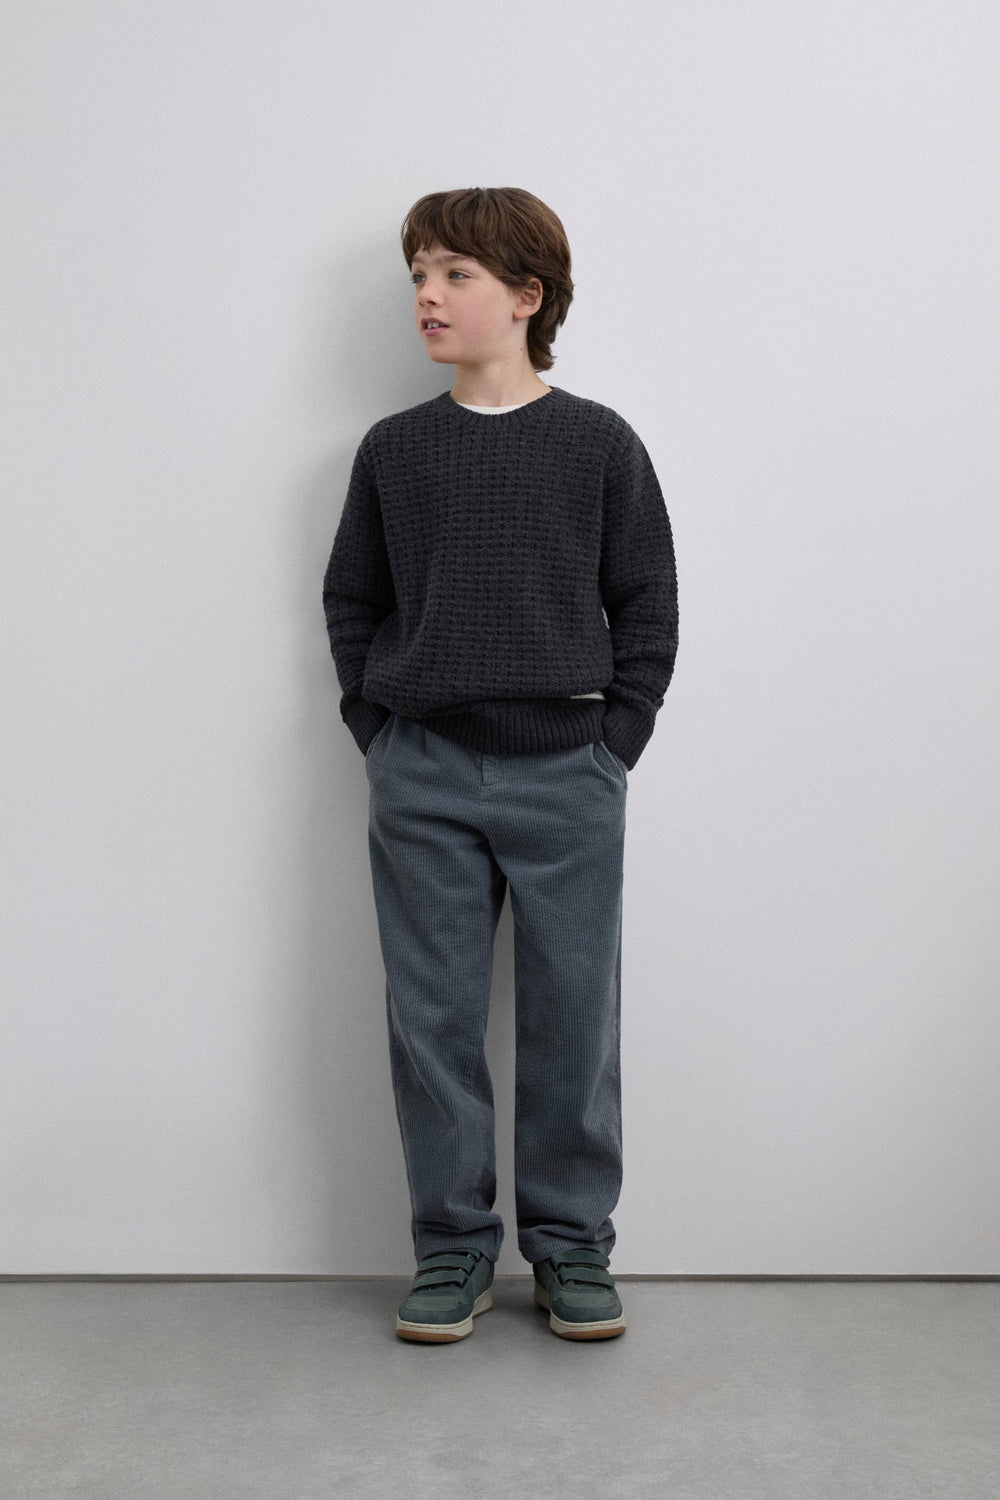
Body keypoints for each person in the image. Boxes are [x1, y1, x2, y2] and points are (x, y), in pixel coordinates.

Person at [323, 187, 678, 1342]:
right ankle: (451, 1249)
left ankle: (571, 1247)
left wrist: (615, 740)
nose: (426, 295)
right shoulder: (394, 451)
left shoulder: (599, 444)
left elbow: (647, 604)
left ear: (527, 296)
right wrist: (378, 728)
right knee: (430, 1022)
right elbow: (352, 598)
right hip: (422, 773)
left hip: (568, 770)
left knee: (574, 1022)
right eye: (418, 274)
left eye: (454, 274)